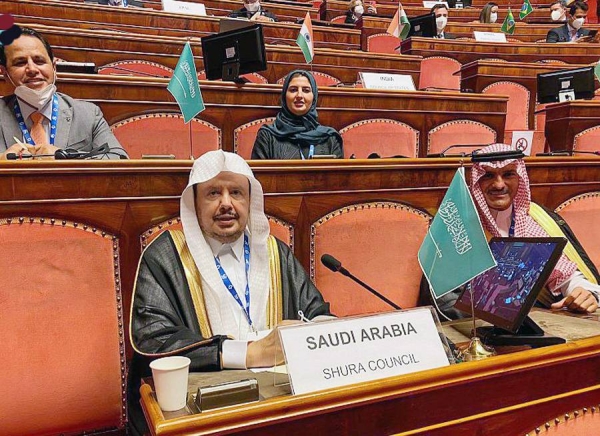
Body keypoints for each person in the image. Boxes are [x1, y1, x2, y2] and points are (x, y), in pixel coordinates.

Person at [128, 150, 332, 434]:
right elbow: (154, 340)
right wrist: (246, 353)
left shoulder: (275, 253)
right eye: (213, 193)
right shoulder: (165, 256)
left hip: (281, 410)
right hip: (204, 416)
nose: (227, 204)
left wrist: (329, 330)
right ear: (195, 204)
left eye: (236, 192)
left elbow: (316, 314)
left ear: (250, 201)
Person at [420, 143, 600, 320]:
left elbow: (564, 274)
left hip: (540, 325)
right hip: (475, 330)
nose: (499, 185)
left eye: (508, 174)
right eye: (488, 175)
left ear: (519, 177)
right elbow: (445, 301)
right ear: (476, 180)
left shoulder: (538, 219)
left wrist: (580, 291)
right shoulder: (457, 224)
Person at [0, 27, 127, 160]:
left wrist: (64, 158)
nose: (32, 69)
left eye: (39, 61)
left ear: (54, 67)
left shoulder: (88, 114)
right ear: (5, 73)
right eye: (20, 63)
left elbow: (118, 157)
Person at [251, 70, 344, 160]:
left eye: (306, 90)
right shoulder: (267, 136)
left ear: (314, 97)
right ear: (284, 96)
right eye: (293, 90)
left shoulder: (330, 138)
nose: (299, 95)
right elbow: (259, 175)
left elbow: (339, 175)